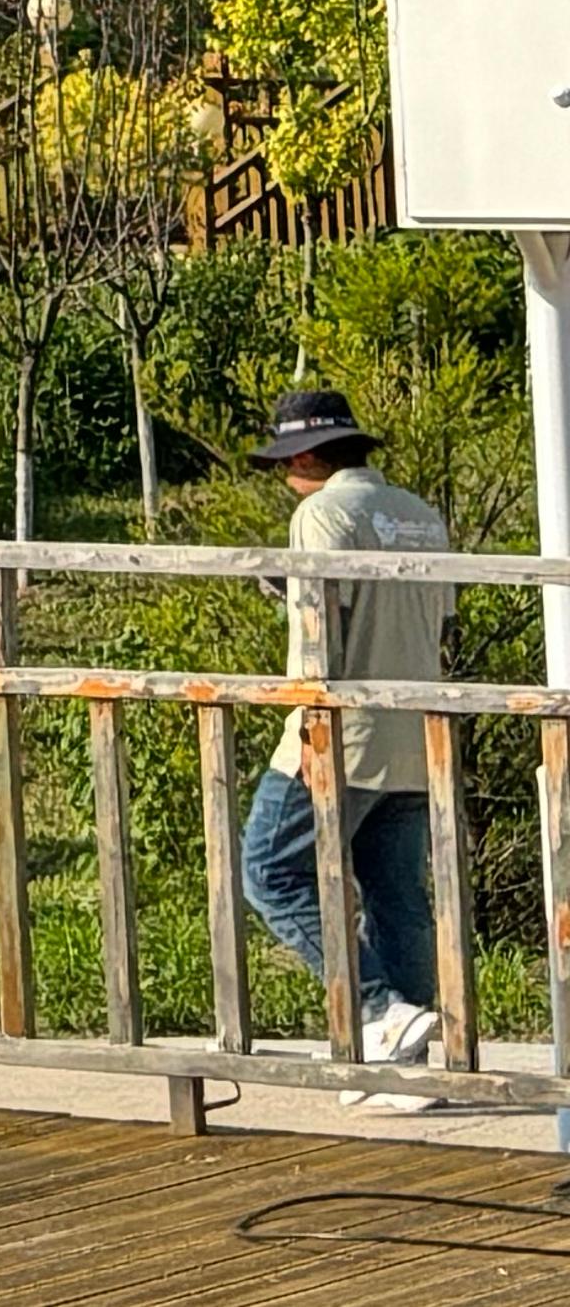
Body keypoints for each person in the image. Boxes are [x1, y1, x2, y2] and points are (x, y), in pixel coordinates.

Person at [239, 383, 452, 1073]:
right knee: (396, 897)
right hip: (415, 734)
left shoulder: (322, 514)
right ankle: (407, 1058)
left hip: (341, 731)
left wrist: (309, 721)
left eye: (284, 464)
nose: (284, 477)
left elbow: (320, 638)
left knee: (269, 870)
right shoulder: (420, 515)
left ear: (306, 458)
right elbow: (436, 620)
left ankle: (377, 1010)